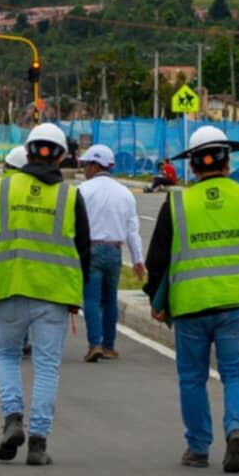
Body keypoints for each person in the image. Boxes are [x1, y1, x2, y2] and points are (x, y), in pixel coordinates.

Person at [144, 124, 239, 474]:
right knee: (236, 374)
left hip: (191, 306)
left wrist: (155, 299)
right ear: (227, 161)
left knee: (192, 377)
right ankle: (236, 430)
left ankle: (198, 448)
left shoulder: (178, 202)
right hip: (238, 303)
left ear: (192, 166)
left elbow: (156, 260)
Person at [0, 123, 90, 467]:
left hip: (9, 287)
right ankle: (37, 443)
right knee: (47, 367)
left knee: (6, 356)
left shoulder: (0, 189)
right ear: (62, 156)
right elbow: (84, 250)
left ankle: (12, 419)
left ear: (28, 151)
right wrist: (79, 293)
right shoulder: (70, 196)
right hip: (55, 293)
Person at [76, 143, 144, 362]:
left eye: (86, 165)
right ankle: (109, 346)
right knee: (110, 300)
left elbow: (73, 226)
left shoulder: (82, 191)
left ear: (96, 166)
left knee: (91, 299)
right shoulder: (125, 194)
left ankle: (94, 343)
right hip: (114, 251)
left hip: (91, 250)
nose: (84, 169)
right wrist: (138, 260)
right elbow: (133, 231)